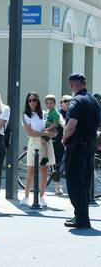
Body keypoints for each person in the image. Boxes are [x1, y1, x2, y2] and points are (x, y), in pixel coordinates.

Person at [62, 73, 100, 229]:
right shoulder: (93, 101)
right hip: (89, 146)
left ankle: (82, 218)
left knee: (74, 181)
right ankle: (81, 216)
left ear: (73, 85)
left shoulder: (76, 101)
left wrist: (64, 139)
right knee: (84, 181)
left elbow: (70, 126)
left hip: (77, 146)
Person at [21, 91, 55, 208]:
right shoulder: (26, 115)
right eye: (29, 100)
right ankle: (26, 196)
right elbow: (29, 133)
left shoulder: (44, 113)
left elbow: (52, 126)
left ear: (38, 101)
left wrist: (50, 133)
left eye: (34, 100)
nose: (32, 102)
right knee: (30, 171)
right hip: (34, 143)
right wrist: (44, 133)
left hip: (45, 143)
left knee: (44, 171)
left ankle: (41, 197)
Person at [53, 95, 71, 195]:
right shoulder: (58, 113)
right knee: (57, 163)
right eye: (65, 101)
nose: (67, 103)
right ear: (61, 103)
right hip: (57, 140)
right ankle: (57, 186)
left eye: (69, 102)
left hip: (66, 141)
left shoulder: (71, 112)